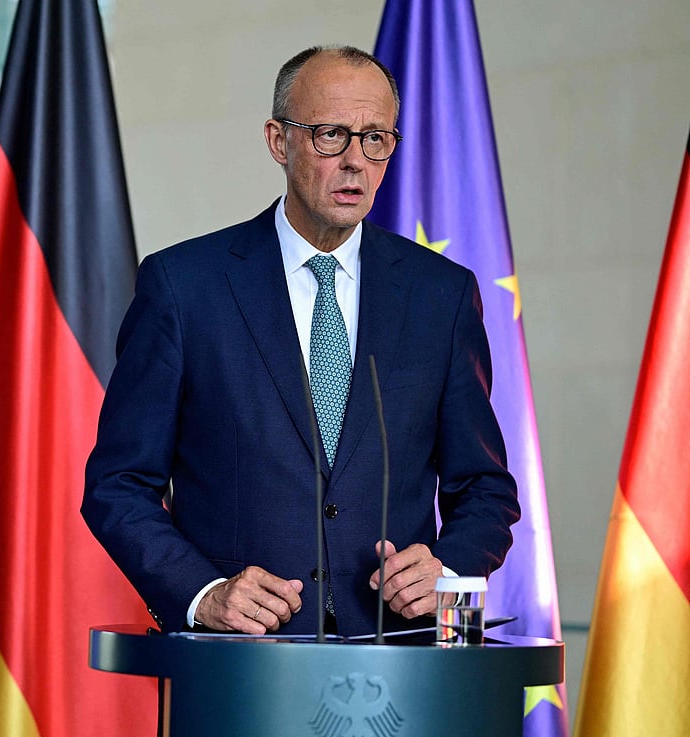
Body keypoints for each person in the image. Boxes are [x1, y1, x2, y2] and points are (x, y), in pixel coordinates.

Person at [81, 45, 519, 637]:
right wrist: (203, 593)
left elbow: (485, 488)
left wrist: (448, 566)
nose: (356, 162)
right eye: (331, 135)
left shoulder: (440, 295)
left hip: (401, 666)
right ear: (278, 141)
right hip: (238, 670)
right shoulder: (185, 287)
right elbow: (118, 485)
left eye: (376, 139)